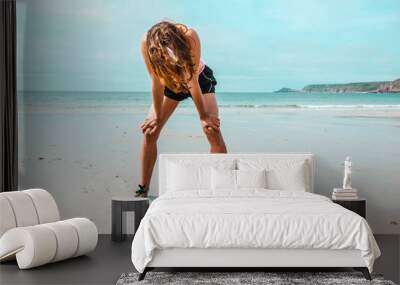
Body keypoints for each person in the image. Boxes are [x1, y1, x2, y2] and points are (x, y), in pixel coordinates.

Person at [136, 21, 227, 197]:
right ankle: (142, 190)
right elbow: (156, 82)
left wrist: (203, 116)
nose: (171, 59)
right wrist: (156, 114)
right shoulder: (146, 43)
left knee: (211, 130)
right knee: (150, 132)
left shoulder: (190, 36)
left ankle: (222, 188)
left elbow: (191, 80)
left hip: (198, 80)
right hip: (168, 83)